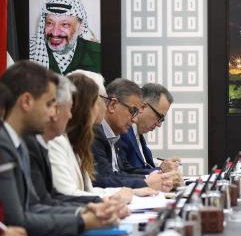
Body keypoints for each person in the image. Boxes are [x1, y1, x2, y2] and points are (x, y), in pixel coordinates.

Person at [0, 61, 124, 236]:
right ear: (26, 102)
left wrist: (87, 210)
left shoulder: (19, 142)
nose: (53, 113)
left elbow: (41, 202)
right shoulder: (5, 145)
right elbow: (18, 220)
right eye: (49, 104)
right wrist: (83, 220)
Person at [48, 71, 151, 199]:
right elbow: (67, 195)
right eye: (102, 100)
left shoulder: (77, 140)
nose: (105, 107)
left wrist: (130, 192)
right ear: (85, 104)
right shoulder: (56, 141)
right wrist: (109, 200)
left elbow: (88, 190)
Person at [24, 74, 102, 205]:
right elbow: (63, 194)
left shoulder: (70, 141)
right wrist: (103, 202)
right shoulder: (54, 141)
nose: (70, 115)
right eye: (97, 102)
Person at [92, 78, 173, 191]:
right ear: (112, 105)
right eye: (133, 111)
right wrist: (146, 183)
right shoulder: (94, 133)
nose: (135, 120)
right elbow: (102, 180)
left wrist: (157, 178)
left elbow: (124, 172)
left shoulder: (115, 134)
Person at [29, 0, 100, 75]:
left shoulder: (99, 55)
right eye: (50, 23)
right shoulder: (32, 52)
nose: (55, 32)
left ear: (80, 28)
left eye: (65, 25)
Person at [118, 83, 181, 175]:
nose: (159, 124)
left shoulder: (138, 136)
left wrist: (163, 168)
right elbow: (125, 173)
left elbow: (142, 169)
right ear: (143, 107)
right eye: (159, 116)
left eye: (162, 119)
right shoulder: (123, 132)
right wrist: (161, 170)